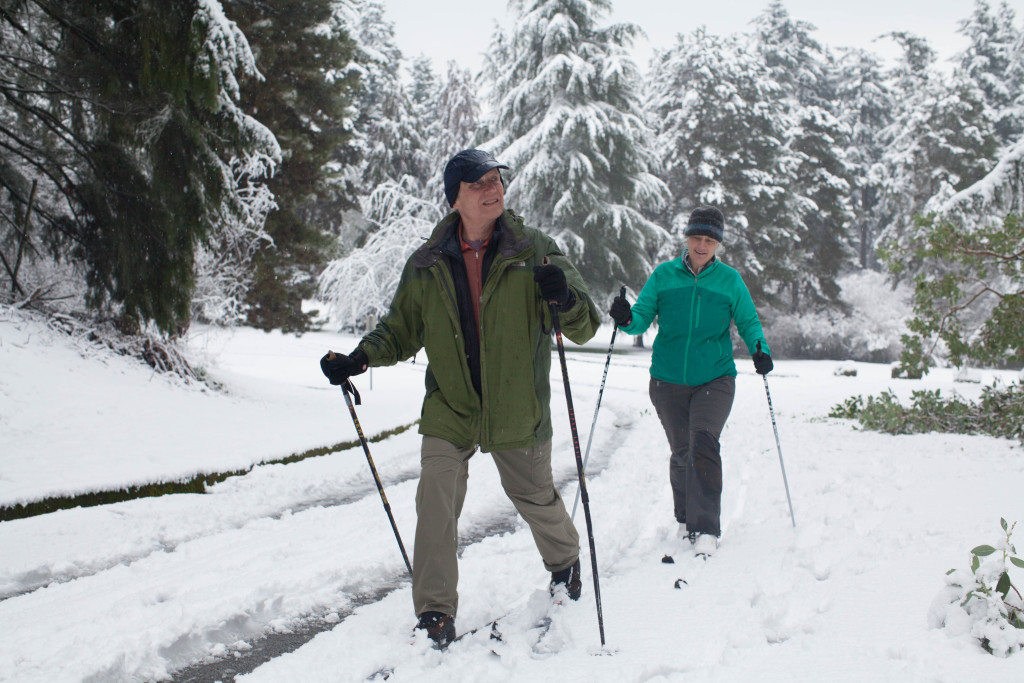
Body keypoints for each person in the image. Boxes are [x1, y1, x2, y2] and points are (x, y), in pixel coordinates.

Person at [320, 149, 599, 648]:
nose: (493, 189)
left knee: (534, 497)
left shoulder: (534, 249)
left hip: (517, 407)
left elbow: (584, 325)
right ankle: (434, 612)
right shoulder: (427, 264)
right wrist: (359, 358)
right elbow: (401, 330)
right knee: (436, 499)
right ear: (455, 199)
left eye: (496, 180)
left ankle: (565, 563)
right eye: (479, 184)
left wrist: (565, 298)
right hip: (451, 406)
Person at [608, 206, 773, 558]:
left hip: (715, 377)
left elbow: (748, 321)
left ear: (718, 244)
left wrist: (760, 349)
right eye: (697, 238)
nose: (702, 245)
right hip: (667, 380)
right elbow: (639, 320)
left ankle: (707, 528)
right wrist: (625, 318)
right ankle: (685, 518)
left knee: (703, 444)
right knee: (682, 452)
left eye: (709, 240)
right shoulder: (665, 276)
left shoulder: (730, 281)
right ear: (687, 238)